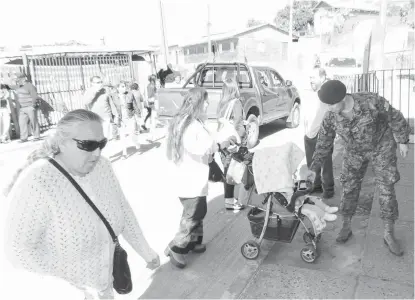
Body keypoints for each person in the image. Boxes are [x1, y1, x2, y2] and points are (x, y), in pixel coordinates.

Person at [4, 109, 160, 299]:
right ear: (62, 142)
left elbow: (122, 209)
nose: (97, 152)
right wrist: (70, 291)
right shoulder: (38, 181)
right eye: (88, 145)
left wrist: (145, 251)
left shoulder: (103, 167)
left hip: (105, 290)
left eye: (102, 144)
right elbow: (18, 251)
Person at [305, 80, 411, 256]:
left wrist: (402, 140)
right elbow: (323, 143)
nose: (329, 108)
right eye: (327, 105)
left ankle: (388, 233)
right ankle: (346, 226)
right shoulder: (331, 116)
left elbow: (395, 116)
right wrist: (314, 168)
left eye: (331, 104)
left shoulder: (371, 101)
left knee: (386, 190)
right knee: (349, 188)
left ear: (343, 98)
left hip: (381, 147)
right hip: (354, 152)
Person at [164, 87, 234, 268]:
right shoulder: (189, 125)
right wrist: (220, 144)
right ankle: (176, 247)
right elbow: (199, 148)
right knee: (193, 214)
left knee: (197, 211)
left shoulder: (188, 121)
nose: (208, 103)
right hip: (190, 178)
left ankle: (193, 242)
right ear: (196, 102)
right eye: (205, 100)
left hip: (191, 176)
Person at [303, 67, 335, 199]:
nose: (311, 80)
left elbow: (329, 114)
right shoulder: (312, 93)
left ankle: (328, 189)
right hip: (309, 133)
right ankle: (315, 186)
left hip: (322, 134)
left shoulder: (327, 93)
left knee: (325, 163)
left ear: (322, 78)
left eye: (314, 77)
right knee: (311, 162)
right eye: (310, 77)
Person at [217, 78, 246, 211]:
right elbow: (239, 125)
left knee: (227, 171)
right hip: (231, 142)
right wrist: (237, 139)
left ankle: (229, 201)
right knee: (234, 171)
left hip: (222, 143)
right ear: (234, 89)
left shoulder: (221, 103)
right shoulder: (236, 103)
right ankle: (234, 201)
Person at [84, 76, 118, 140]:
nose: (100, 84)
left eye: (101, 82)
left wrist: (115, 113)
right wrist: (94, 92)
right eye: (97, 82)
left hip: (106, 115)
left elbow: (110, 102)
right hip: (95, 117)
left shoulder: (105, 90)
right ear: (92, 83)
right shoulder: (89, 91)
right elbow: (86, 102)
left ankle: (105, 149)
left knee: (105, 137)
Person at [113, 81, 141, 159]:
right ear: (117, 88)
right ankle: (124, 153)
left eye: (125, 86)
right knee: (122, 136)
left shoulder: (130, 94)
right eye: (122, 86)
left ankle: (137, 145)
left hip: (130, 116)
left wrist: (138, 115)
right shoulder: (113, 96)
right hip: (120, 118)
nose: (124, 88)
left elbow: (135, 105)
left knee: (133, 133)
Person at [13, 73, 41, 142]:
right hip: (22, 108)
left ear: (24, 79)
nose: (17, 80)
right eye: (17, 79)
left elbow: (34, 96)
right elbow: (10, 87)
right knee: (21, 123)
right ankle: (24, 138)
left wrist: (33, 106)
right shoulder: (19, 86)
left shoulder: (30, 86)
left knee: (33, 122)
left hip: (30, 107)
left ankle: (36, 136)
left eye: (18, 79)